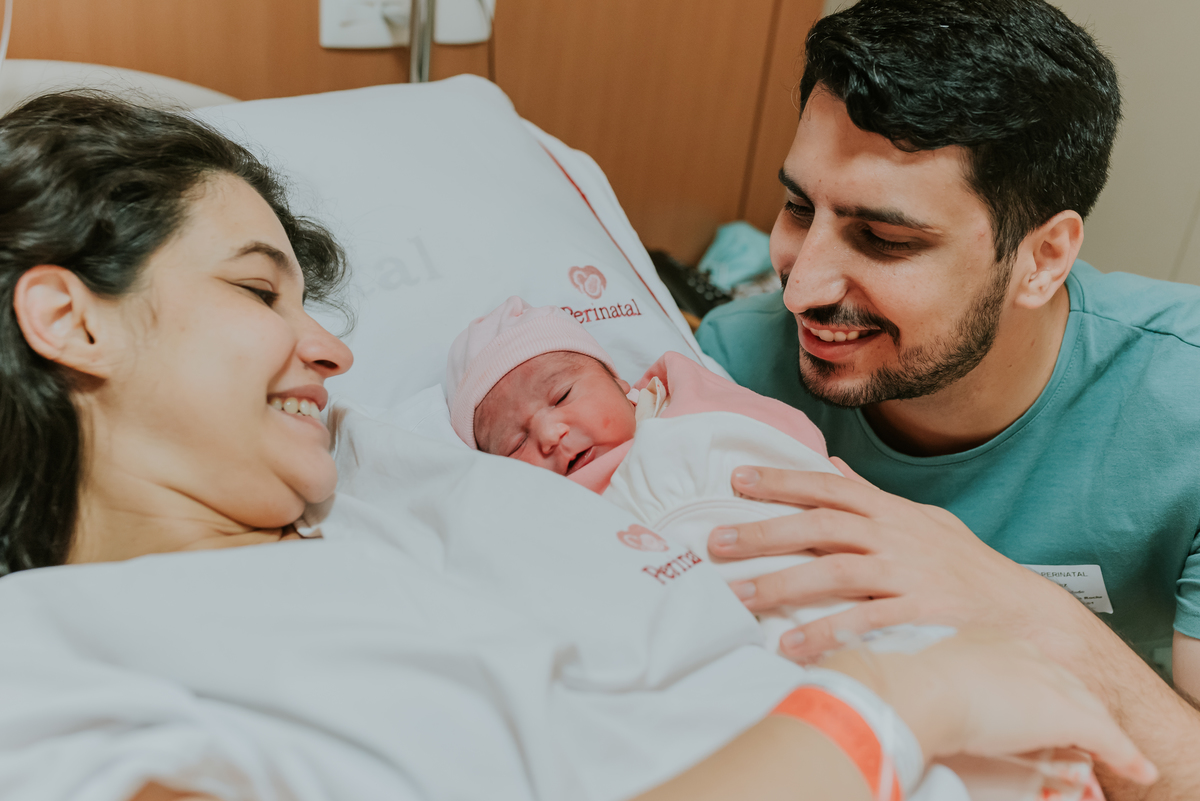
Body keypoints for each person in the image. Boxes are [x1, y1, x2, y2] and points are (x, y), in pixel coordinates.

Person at [0, 92, 1156, 800]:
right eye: (260, 292)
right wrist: (903, 705)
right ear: (69, 317)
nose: (334, 356)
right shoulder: (58, 665)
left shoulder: (381, 475)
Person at [693, 0, 1200, 797]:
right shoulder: (732, 368)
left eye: (885, 240)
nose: (801, 288)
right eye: (799, 207)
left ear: (1042, 257)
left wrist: (1018, 606)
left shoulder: (1187, 410)